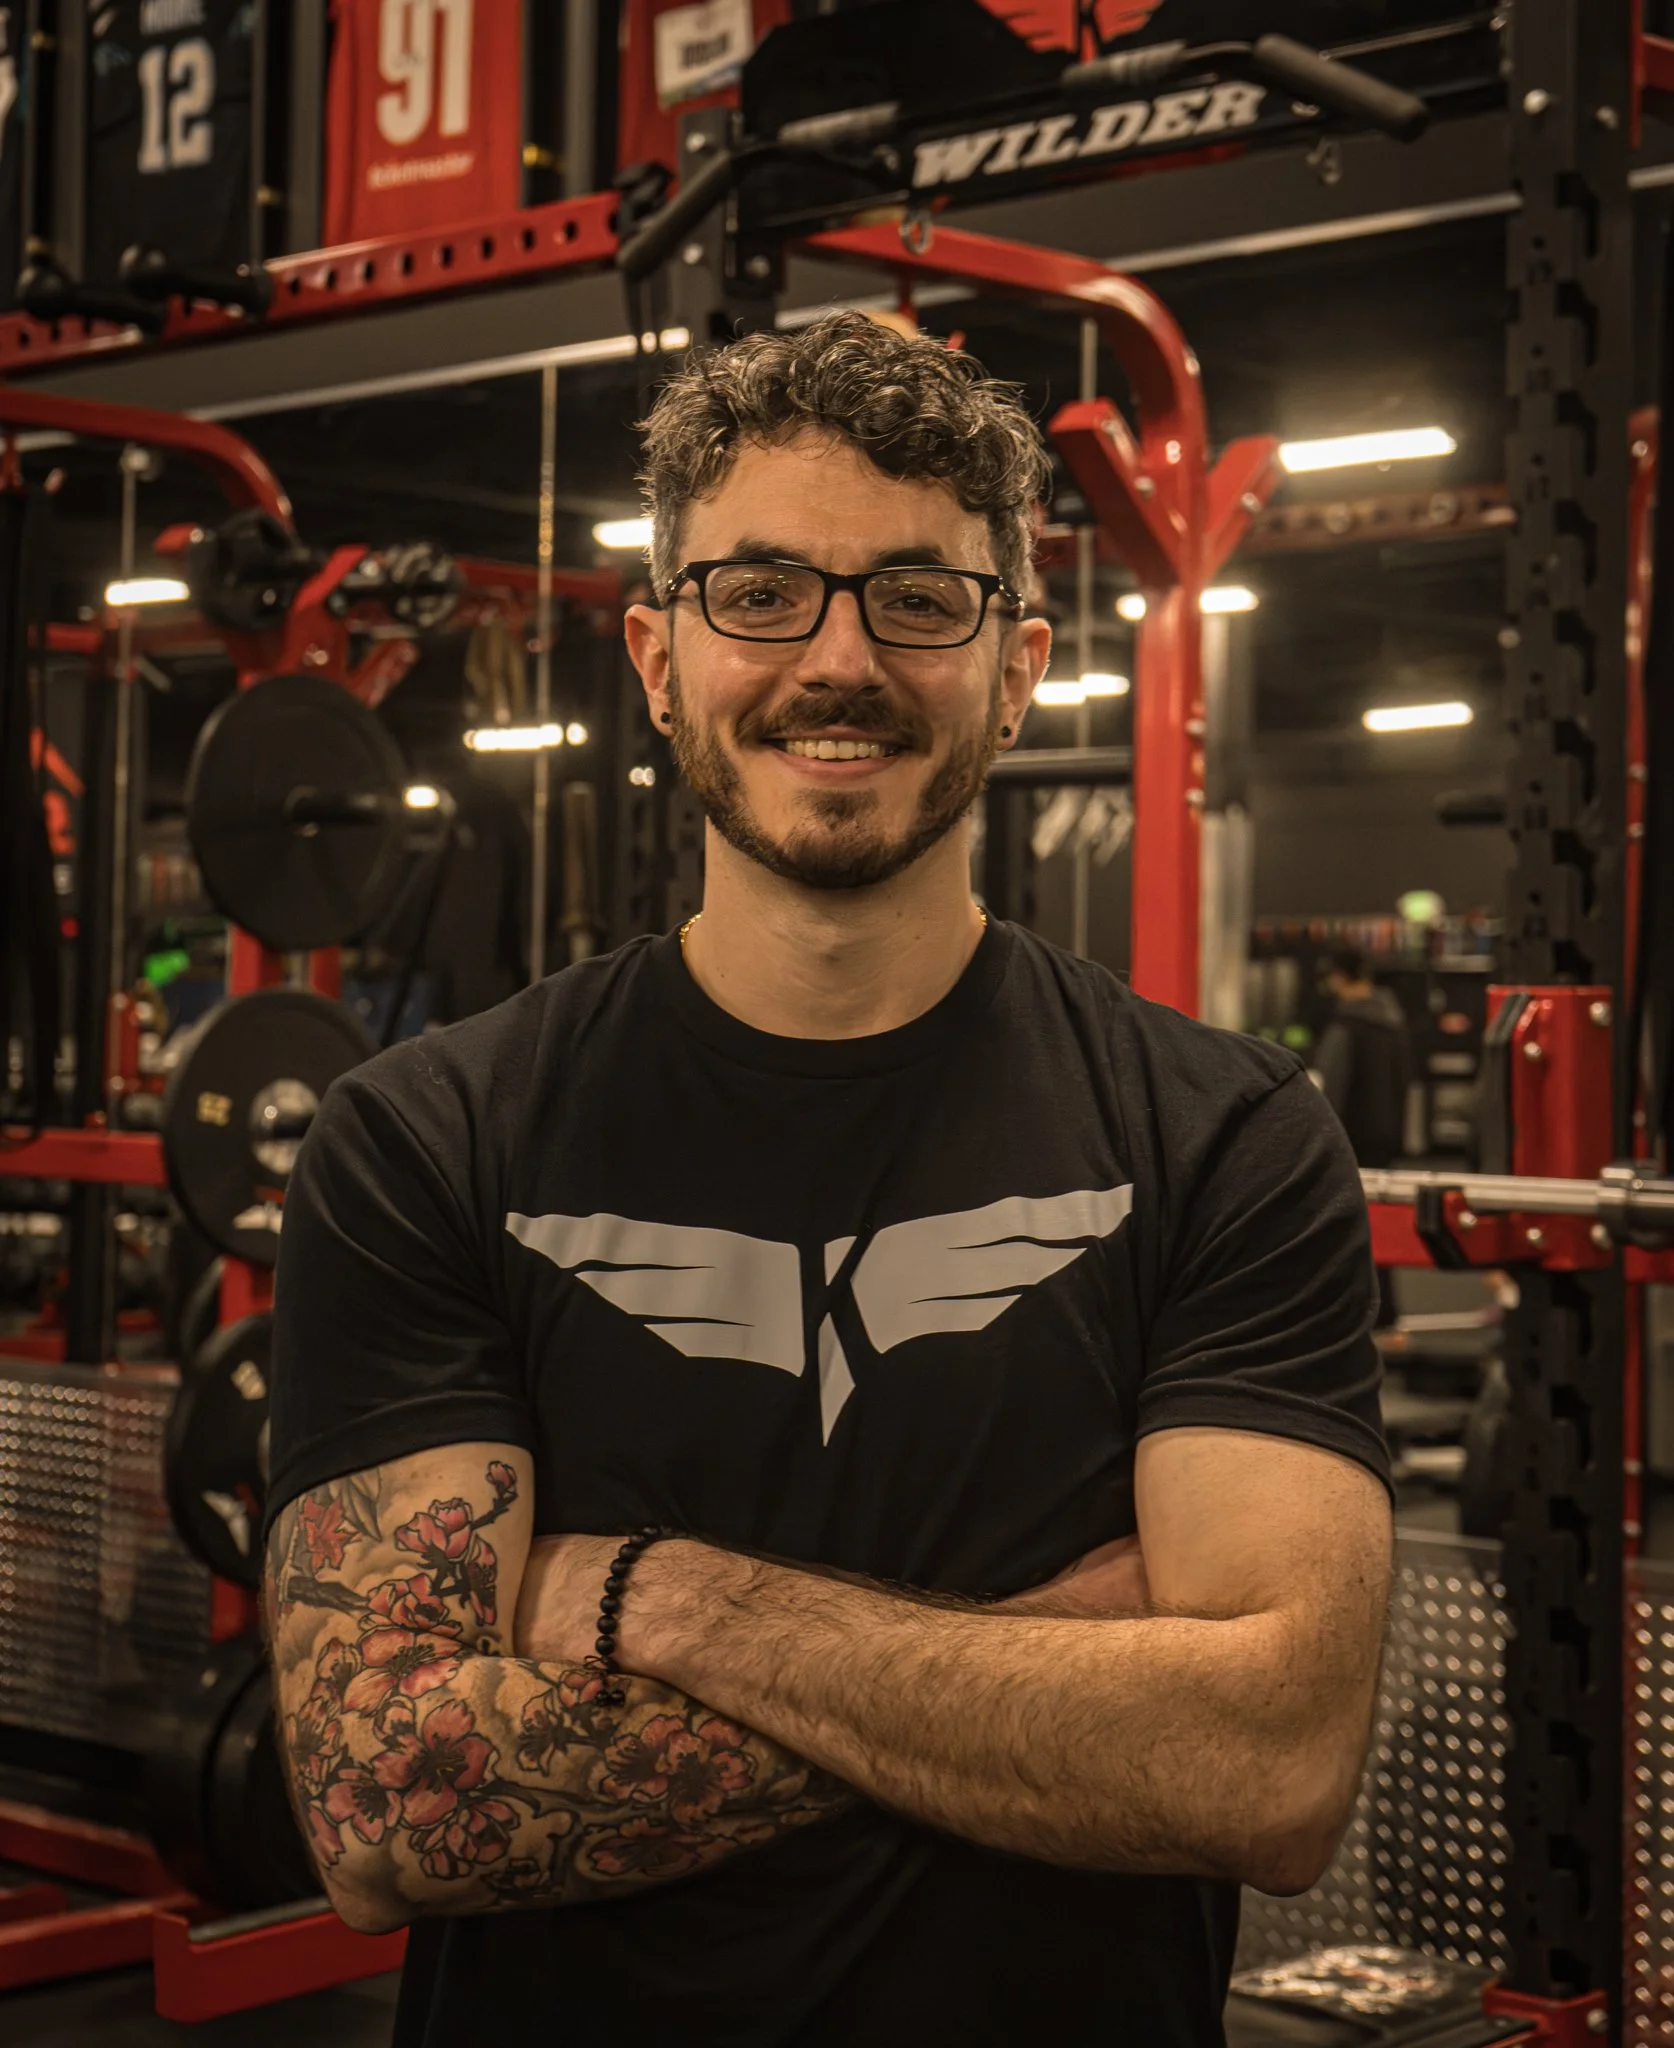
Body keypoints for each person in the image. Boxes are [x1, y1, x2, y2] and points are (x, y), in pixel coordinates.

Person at [263, 311, 1394, 2048]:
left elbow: (1269, 1765)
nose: (838, 658)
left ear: (1015, 667)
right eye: (761, 592)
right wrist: (1069, 1664)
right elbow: (388, 1807)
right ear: (658, 658)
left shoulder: (1221, 1135)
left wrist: (662, 1600)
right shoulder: (429, 1138)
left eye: (917, 597)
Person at [1315, 944, 1413, 1327]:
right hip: (1385, 1138)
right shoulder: (1393, 1021)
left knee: (1346, 1224)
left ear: (1338, 977)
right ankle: (1383, 1309)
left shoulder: (1346, 1027)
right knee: (1379, 1222)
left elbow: (1331, 1092)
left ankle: (1352, 1312)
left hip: (1351, 1139)